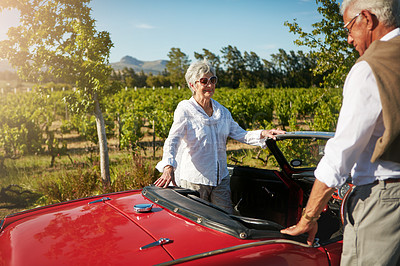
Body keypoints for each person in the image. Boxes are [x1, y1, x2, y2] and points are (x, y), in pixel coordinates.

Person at [281, 0, 400, 265]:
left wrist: (309, 217)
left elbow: (340, 155)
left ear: (367, 18)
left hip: (386, 202)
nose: (348, 39)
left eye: (348, 27)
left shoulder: (369, 68)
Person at [154, 59, 284, 214]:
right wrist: (168, 167)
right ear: (192, 85)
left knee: (226, 220)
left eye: (213, 80)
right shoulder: (185, 110)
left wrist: (264, 133)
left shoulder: (222, 112)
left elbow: (241, 134)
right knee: (198, 223)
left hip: (220, 178)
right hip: (195, 181)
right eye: (204, 81)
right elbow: (172, 140)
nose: (210, 85)